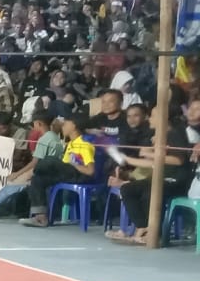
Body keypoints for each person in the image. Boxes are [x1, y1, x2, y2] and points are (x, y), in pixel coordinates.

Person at [106, 98, 199, 244]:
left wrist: (151, 154)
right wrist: (131, 159)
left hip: (177, 180)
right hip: (162, 177)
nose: (150, 118)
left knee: (150, 191)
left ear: (164, 118)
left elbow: (178, 160)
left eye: (153, 115)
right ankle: (142, 227)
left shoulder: (175, 134)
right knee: (128, 189)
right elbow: (152, 162)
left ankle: (155, 232)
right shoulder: (158, 136)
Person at [18, 114, 96, 227]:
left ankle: (33, 171)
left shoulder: (84, 144)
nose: (62, 127)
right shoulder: (71, 144)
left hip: (80, 175)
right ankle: (41, 217)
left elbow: (90, 171)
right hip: (67, 174)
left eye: (65, 124)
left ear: (74, 126)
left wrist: (73, 164)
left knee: (49, 160)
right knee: (37, 180)